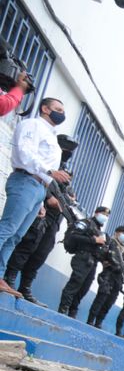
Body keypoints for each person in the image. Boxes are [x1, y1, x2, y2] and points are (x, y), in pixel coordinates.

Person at [0, 97, 70, 294]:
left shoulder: (52, 136)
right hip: (25, 180)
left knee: (16, 236)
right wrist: (50, 171)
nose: (62, 114)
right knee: (7, 228)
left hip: (38, 188)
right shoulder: (32, 125)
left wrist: (40, 200)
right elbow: (25, 153)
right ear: (45, 109)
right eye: (58, 109)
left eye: (63, 111)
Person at [3, 172, 70, 305]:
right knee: (24, 248)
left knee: (40, 256)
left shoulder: (65, 193)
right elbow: (40, 182)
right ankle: (9, 278)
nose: (66, 179)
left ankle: (25, 287)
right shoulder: (48, 177)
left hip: (52, 226)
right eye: (65, 175)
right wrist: (49, 196)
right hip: (39, 220)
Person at [58, 206, 109, 318]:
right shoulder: (86, 223)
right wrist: (94, 240)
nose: (105, 217)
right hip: (82, 257)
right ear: (96, 213)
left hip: (93, 261)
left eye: (107, 216)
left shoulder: (99, 230)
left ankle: (73, 310)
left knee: (84, 288)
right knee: (75, 284)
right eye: (103, 214)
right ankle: (63, 309)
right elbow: (74, 236)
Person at [87, 225, 124, 328]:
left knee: (110, 301)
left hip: (119, 278)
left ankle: (99, 321)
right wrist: (104, 261)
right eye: (123, 233)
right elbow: (101, 253)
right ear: (117, 233)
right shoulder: (110, 242)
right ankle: (91, 319)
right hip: (109, 274)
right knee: (101, 298)